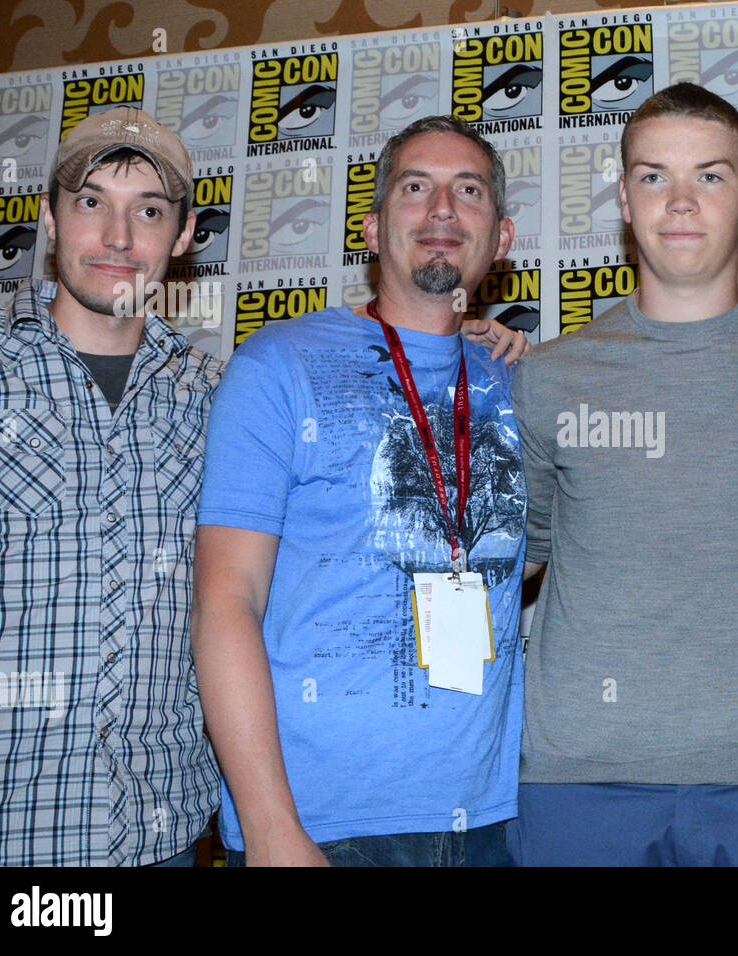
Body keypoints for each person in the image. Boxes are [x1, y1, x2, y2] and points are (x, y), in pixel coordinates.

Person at [508, 83, 738, 866]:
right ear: (625, 198)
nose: (680, 201)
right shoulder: (551, 377)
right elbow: (515, 557)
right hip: (579, 783)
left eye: (710, 175)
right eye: (653, 176)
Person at [191, 115, 535, 866]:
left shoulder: (523, 383)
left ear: (501, 237)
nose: (442, 209)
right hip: (323, 827)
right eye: (417, 187)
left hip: (492, 819)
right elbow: (226, 601)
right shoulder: (280, 365)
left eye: (467, 190)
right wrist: (272, 826)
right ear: (375, 230)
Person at [0, 107, 218, 865]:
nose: (116, 238)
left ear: (181, 235)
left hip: (162, 832)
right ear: (47, 218)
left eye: (147, 211)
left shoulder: (220, 398)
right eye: (90, 202)